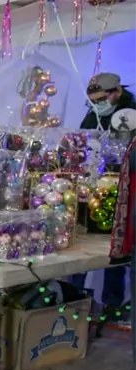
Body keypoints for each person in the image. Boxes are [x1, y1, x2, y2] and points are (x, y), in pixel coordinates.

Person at [73, 72, 136, 332]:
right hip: (93, 186)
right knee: (81, 243)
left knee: (116, 249)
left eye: (102, 98)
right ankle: (73, 296)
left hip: (122, 189)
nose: (98, 104)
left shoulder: (130, 113)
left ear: (117, 91)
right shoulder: (93, 114)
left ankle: (113, 303)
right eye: (94, 100)